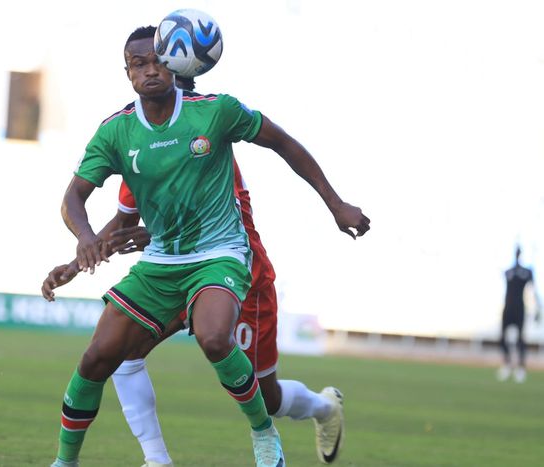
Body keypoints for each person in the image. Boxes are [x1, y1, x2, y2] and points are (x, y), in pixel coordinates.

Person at [50, 26, 370, 467]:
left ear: (179, 65)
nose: (150, 70)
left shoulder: (213, 119)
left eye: (160, 60)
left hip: (233, 264)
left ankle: (319, 409)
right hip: (167, 265)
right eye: (139, 64)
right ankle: (155, 460)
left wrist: (336, 204)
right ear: (127, 71)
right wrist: (76, 260)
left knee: (259, 385)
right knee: (116, 352)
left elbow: (271, 150)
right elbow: (125, 221)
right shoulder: (126, 137)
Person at [497, 245, 541, 383]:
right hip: (508, 308)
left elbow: (533, 290)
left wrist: (538, 308)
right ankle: (507, 364)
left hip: (519, 308)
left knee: (520, 339)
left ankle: (521, 367)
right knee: (502, 338)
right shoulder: (508, 271)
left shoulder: (526, 272)